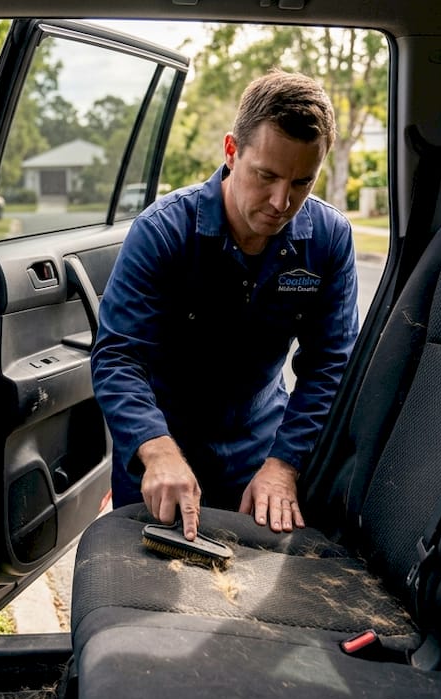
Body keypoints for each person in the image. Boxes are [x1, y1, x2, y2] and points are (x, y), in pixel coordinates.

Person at [91, 69, 359, 542]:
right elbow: (118, 356)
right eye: (267, 176)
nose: (282, 201)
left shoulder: (330, 239)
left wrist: (285, 463)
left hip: (262, 454)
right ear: (232, 151)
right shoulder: (162, 232)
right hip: (160, 449)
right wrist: (155, 449)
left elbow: (330, 365)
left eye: (302, 182)